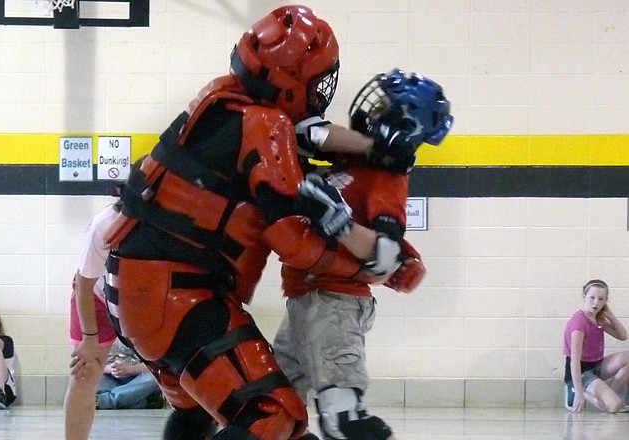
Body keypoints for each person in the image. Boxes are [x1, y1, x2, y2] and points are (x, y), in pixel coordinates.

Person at [98, 5, 416, 440]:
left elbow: (310, 134)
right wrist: (370, 266)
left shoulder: (221, 98)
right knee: (271, 413)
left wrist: (370, 150)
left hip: (134, 287)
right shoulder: (265, 125)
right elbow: (294, 242)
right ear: (289, 79)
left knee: (200, 414)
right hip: (179, 295)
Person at [273, 69, 453, 440]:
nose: (372, 111)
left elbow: (386, 254)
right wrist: (370, 146)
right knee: (272, 408)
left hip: (336, 303)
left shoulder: (386, 179)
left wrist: (336, 220)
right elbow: (304, 133)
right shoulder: (356, 159)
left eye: (383, 107)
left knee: (342, 419)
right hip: (305, 300)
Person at [64, 157, 148, 440]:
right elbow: (84, 285)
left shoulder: (177, 222)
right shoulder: (106, 224)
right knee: (85, 373)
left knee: (180, 374)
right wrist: (89, 338)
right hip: (97, 298)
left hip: (141, 301)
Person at [563, 279, 629, 413]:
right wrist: (581, 394)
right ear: (584, 297)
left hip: (596, 366)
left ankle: (610, 393)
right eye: (592, 297)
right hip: (581, 372)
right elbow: (574, 362)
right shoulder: (579, 323)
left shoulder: (598, 319)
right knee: (615, 406)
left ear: (605, 302)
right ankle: (576, 390)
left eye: (601, 299)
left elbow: (623, 336)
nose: (596, 303)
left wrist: (610, 316)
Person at [96, 339, 165, 409]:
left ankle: (102, 401)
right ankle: (142, 401)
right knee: (89, 376)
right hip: (109, 377)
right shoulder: (99, 331)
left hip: (139, 378)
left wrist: (128, 370)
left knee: (156, 377)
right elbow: (91, 362)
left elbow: (156, 364)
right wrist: (110, 369)